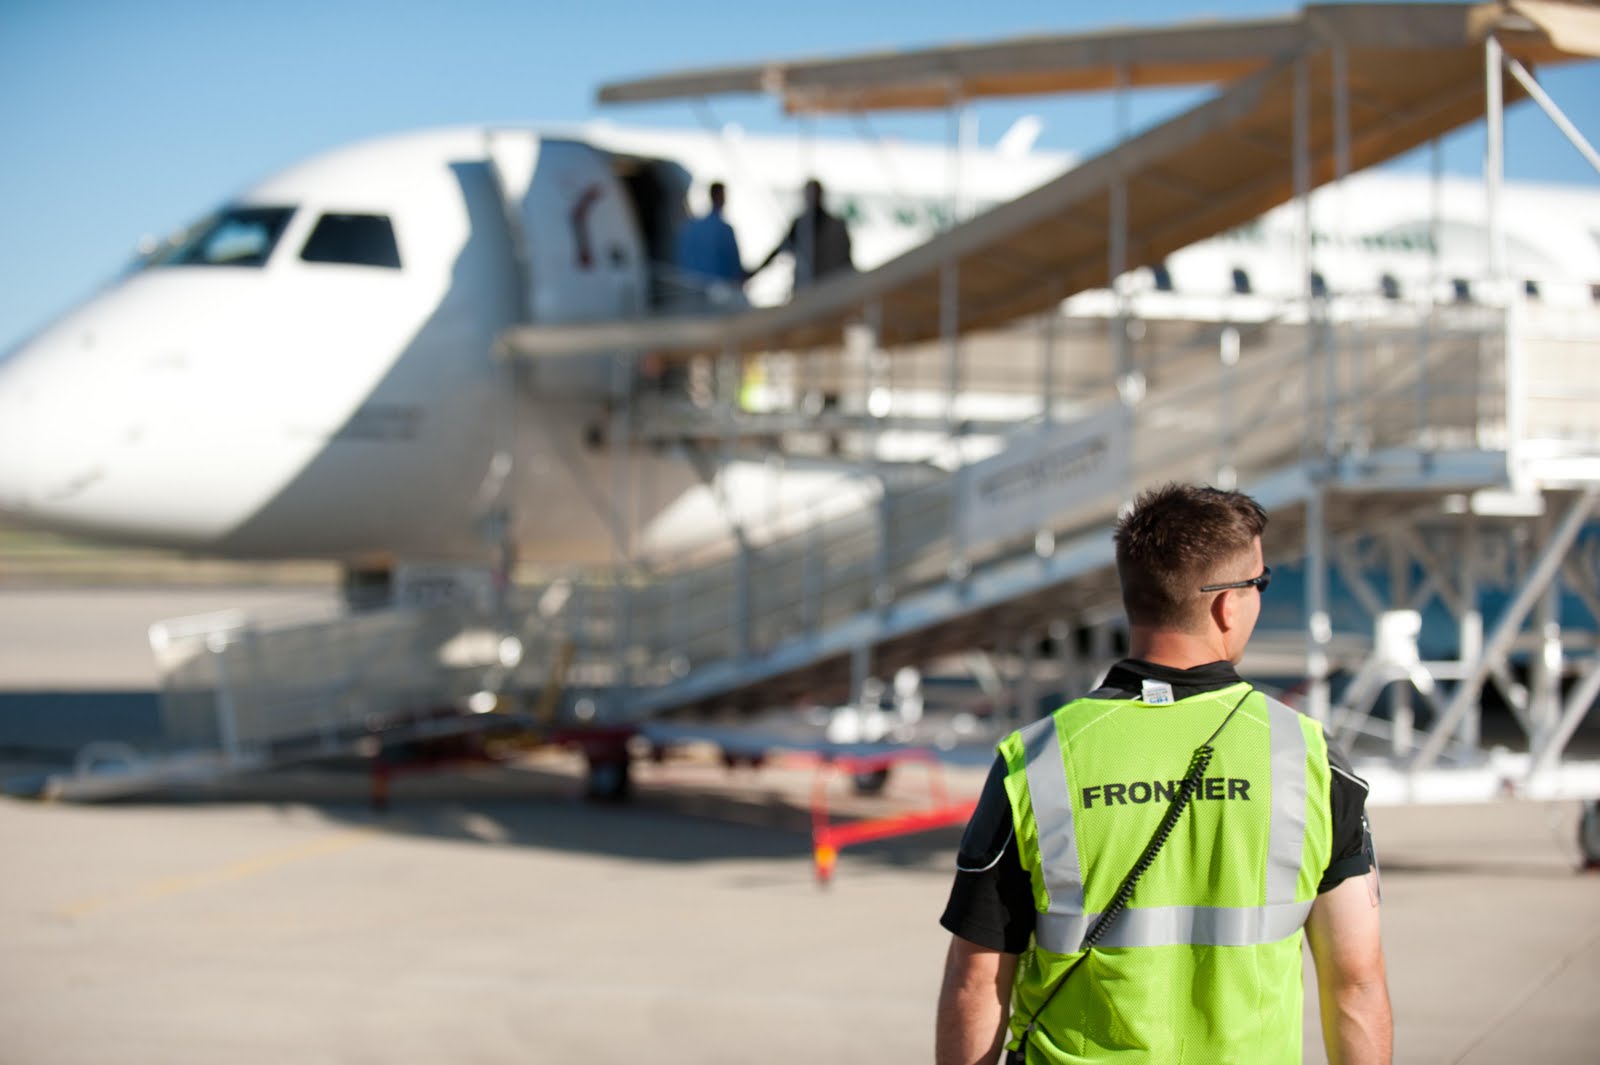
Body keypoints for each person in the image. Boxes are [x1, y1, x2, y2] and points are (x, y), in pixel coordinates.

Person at [936, 483, 1391, 1065]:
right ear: (1228, 603)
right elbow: (1355, 981)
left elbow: (977, 981)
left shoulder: (1037, 759)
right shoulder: (1309, 758)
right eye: (1261, 582)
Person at [750, 177, 853, 292]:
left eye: (813, 193)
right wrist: (753, 274)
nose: (810, 197)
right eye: (809, 194)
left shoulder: (836, 226)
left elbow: (847, 260)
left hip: (831, 287)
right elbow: (781, 249)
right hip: (807, 288)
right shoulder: (801, 225)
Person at [672, 181, 746, 309]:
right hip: (719, 297)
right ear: (720, 197)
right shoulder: (724, 229)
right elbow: (734, 267)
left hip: (691, 294)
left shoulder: (690, 227)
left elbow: (682, 260)